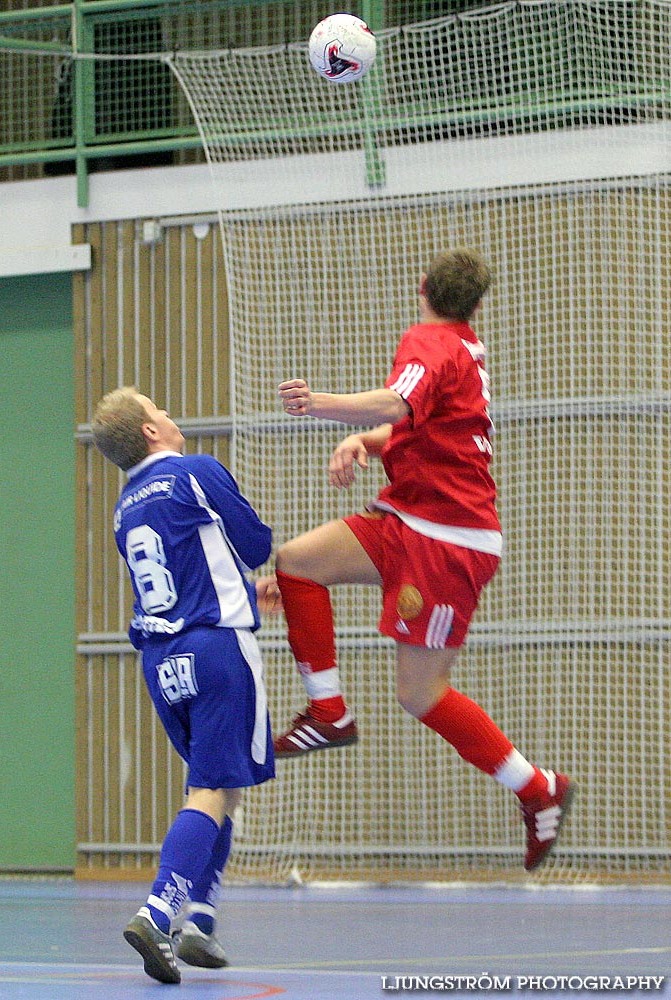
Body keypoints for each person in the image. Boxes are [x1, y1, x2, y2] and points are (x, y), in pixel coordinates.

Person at [273, 248, 573, 871]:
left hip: (447, 542)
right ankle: (328, 711)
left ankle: (536, 786)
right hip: (408, 519)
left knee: (420, 692)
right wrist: (361, 439)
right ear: (477, 303)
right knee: (298, 562)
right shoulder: (463, 348)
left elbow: (396, 404)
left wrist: (318, 403)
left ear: (422, 288)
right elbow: (415, 426)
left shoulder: (432, 341)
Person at [91, 387, 278, 983]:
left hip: (161, 659)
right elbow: (256, 544)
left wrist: (245, 590)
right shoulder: (193, 473)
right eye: (160, 409)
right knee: (212, 791)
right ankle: (160, 911)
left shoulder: (125, 507)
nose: (171, 415)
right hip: (217, 649)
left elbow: (186, 572)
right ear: (150, 431)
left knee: (219, 784)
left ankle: (200, 920)